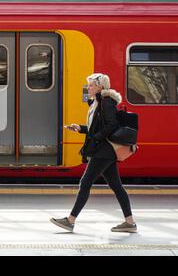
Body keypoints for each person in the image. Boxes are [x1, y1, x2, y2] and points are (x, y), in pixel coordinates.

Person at [50, 73, 137, 233]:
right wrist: (81, 128)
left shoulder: (106, 102)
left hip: (103, 150)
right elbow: (96, 127)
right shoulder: (97, 102)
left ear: (100, 86)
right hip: (105, 150)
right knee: (116, 186)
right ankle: (130, 223)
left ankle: (70, 220)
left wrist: (96, 138)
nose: (88, 87)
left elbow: (111, 125)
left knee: (85, 182)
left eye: (91, 85)